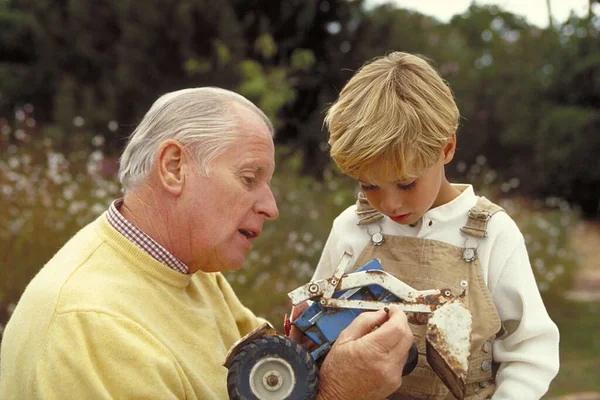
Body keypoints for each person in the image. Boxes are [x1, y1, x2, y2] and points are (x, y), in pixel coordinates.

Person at [0, 87, 414, 399]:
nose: (270, 206)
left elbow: (263, 377)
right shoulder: (92, 328)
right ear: (174, 167)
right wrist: (337, 392)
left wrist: (306, 351)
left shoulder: (187, 266)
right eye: (249, 178)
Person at [310, 52, 560, 399]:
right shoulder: (350, 228)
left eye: (406, 183)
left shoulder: (493, 236)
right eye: (369, 186)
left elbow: (530, 350)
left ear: (447, 147)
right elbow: (318, 331)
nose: (390, 204)